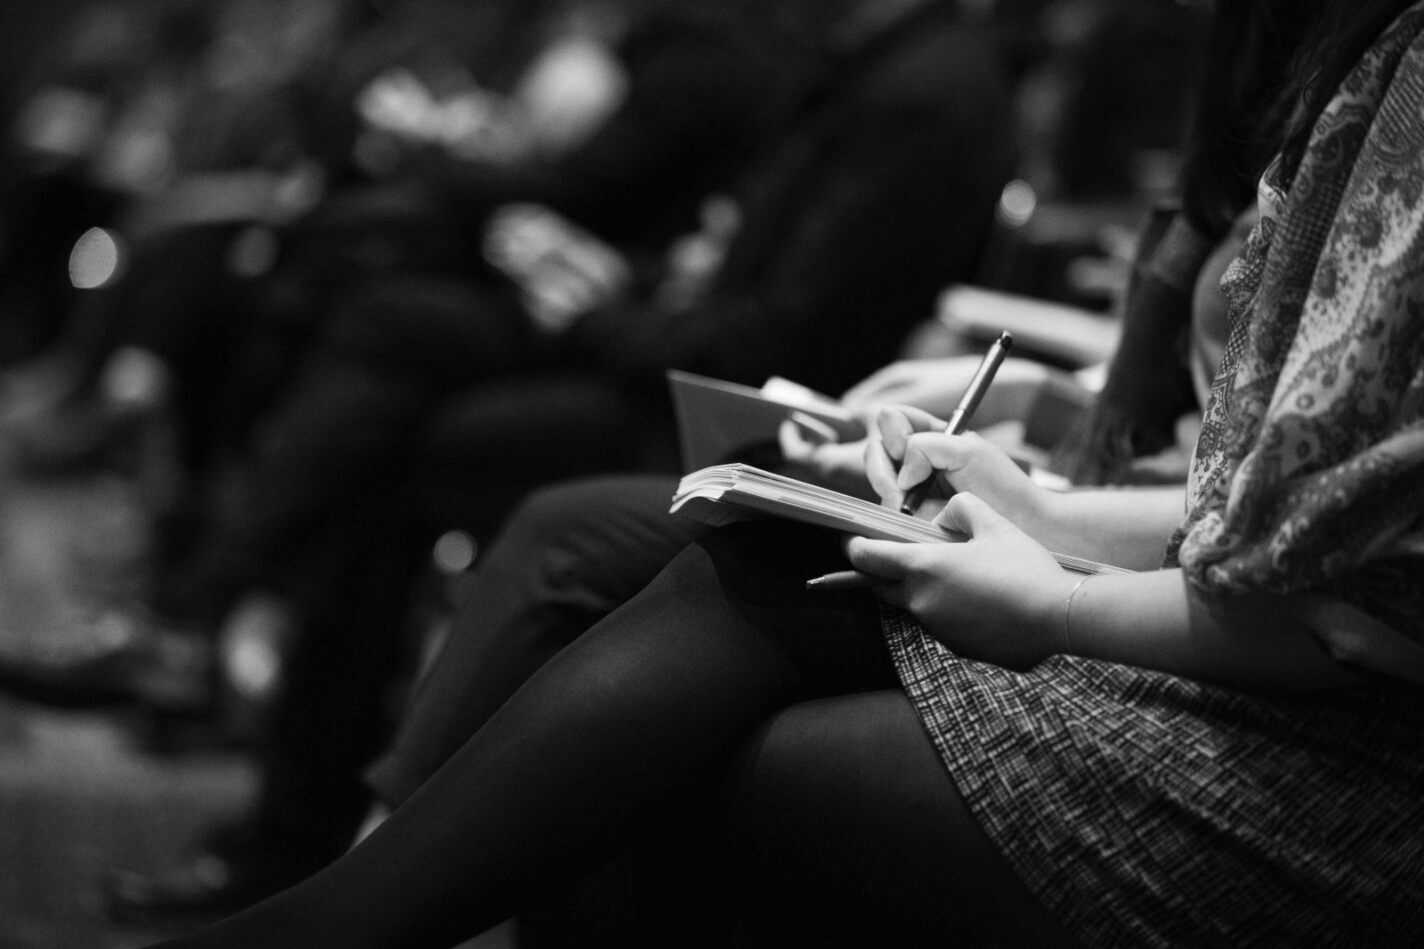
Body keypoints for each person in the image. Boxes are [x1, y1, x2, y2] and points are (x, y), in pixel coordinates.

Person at [144, 1, 1424, 945]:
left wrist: (1058, 582)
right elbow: (1250, 495)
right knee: (669, 517)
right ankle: (312, 850)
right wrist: (1028, 492)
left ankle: (311, 852)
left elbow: (1339, 594)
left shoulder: (925, 86)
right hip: (1212, 604)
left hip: (1339, 763)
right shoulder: (1334, 61)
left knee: (667, 679)